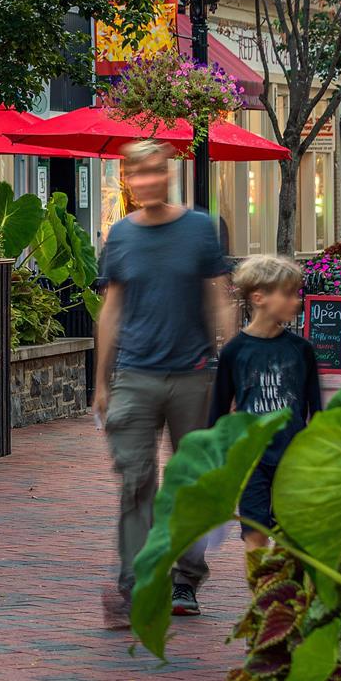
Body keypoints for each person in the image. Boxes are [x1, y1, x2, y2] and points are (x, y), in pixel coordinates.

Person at [94, 139, 236, 630]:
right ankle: (134, 585)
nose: (149, 181)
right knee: (135, 480)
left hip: (193, 374)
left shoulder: (199, 229)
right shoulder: (121, 236)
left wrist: (229, 367)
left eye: (157, 171)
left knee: (189, 482)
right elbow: (111, 309)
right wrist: (101, 381)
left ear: (169, 174)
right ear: (128, 180)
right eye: (139, 174)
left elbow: (219, 299)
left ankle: (185, 579)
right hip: (134, 375)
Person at [211, 256, 322, 552]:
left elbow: (317, 411)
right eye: (288, 294)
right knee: (255, 534)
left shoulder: (302, 350)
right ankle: (260, 582)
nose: (297, 301)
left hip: (293, 457)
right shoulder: (235, 351)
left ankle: (287, 581)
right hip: (252, 459)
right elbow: (218, 411)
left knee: (292, 535)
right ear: (259, 297)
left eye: (297, 293)